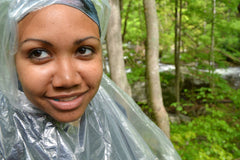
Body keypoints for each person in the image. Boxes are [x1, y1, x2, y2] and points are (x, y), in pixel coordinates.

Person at [0, 0, 181, 159]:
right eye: (39, 53)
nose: (67, 79)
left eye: (84, 50)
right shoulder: (5, 136)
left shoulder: (115, 115)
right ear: (10, 60)